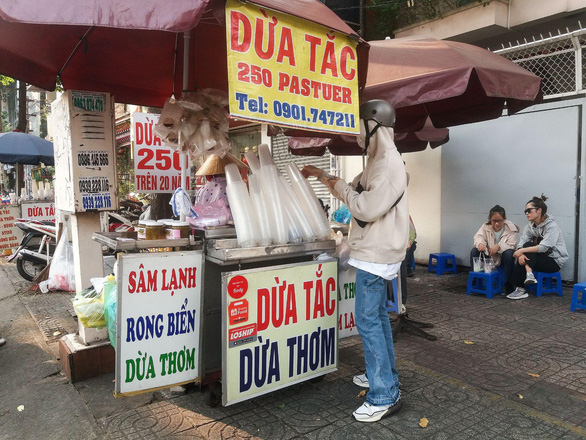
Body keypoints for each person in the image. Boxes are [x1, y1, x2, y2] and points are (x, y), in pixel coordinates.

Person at [302, 99, 407, 423]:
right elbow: (354, 188)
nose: (357, 137)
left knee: (368, 321)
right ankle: (385, 375)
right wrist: (323, 175)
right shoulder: (378, 160)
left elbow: (363, 206)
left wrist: (346, 193)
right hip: (372, 252)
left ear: (373, 126)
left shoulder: (388, 164)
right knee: (375, 318)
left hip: (376, 255)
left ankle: (384, 393)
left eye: (360, 128)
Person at [507, 195, 568, 300]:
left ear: (539, 210)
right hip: (537, 259)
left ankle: (521, 289)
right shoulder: (529, 227)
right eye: (525, 211)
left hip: (554, 261)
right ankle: (528, 276)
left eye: (529, 210)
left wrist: (522, 251)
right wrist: (521, 254)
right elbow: (522, 243)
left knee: (527, 249)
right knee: (527, 247)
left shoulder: (552, 227)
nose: (526, 213)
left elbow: (543, 248)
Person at [470, 205, 518, 294]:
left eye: (499, 221)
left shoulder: (511, 229)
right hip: (489, 256)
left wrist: (499, 246)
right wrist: (480, 244)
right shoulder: (485, 226)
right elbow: (478, 237)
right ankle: (475, 281)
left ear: (504, 219)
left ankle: (509, 286)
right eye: (494, 221)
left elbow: (512, 245)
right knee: (474, 251)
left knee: (509, 254)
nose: (496, 224)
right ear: (490, 220)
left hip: (502, 258)